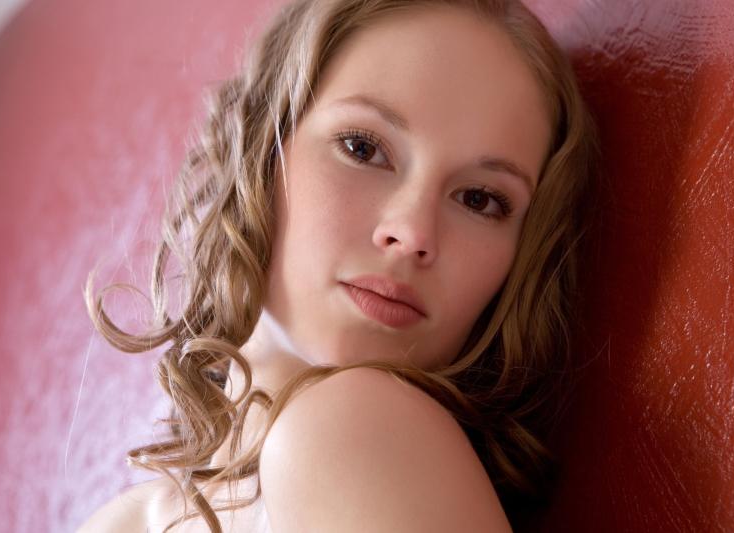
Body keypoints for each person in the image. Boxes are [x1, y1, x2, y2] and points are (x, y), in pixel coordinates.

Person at [78, 0, 598, 531]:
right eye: (363, 148)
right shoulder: (126, 519)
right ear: (260, 148)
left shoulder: (349, 427)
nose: (412, 233)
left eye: (479, 200)